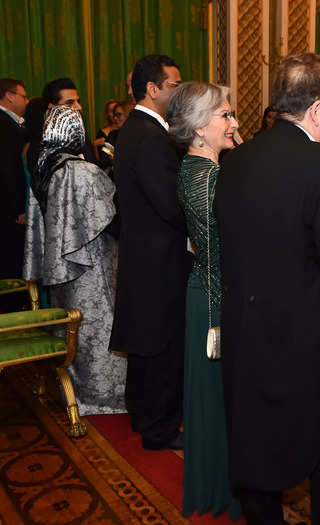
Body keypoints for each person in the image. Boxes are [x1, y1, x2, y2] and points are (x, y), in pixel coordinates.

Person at [215, 53, 320, 525]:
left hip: (246, 330)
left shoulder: (235, 161)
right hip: (310, 338)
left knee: (255, 449)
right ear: (318, 109)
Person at [167, 82, 242, 521]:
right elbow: (225, 246)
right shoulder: (208, 176)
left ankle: (220, 482)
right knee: (218, 401)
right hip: (215, 305)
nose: (234, 123)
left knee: (218, 402)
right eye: (225, 116)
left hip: (210, 296)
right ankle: (222, 488)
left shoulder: (202, 169)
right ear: (198, 128)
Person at [110, 54, 191, 450]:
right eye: (174, 85)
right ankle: (158, 428)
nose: (179, 91)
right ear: (153, 89)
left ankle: (145, 416)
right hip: (159, 260)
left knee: (146, 343)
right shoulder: (150, 137)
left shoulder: (137, 130)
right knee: (160, 345)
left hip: (145, 255)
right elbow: (171, 205)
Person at [23, 106, 126, 414]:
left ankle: (70, 387)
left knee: (71, 327)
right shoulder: (81, 171)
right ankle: (103, 395)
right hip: (91, 263)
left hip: (60, 265)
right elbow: (108, 216)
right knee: (98, 325)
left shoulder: (44, 168)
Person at [0, 78, 28, 286]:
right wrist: (18, 208)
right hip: (9, 210)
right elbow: (8, 169)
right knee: (11, 265)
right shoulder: (4, 124)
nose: (26, 101)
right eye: (23, 96)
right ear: (9, 96)